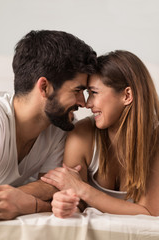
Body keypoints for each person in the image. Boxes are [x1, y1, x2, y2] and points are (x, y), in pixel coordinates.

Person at [41, 50, 159, 218]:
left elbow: (151, 212)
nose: (87, 104)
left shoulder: (155, 139)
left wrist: (83, 189)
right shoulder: (82, 134)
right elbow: (77, 201)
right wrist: (65, 204)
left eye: (94, 93)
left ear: (127, 95)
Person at [0, 30, 97, 220]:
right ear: (44, 87)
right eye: (78, 90)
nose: (83, 103)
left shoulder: (59, 128)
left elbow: (56, 185)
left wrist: (23, 201)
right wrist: (36, 204)